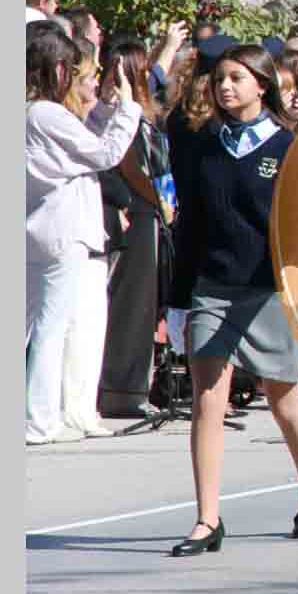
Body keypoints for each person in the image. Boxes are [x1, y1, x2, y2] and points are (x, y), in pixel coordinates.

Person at [162, 44, 298, 555]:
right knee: (207, 400)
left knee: (283, 398)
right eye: (220, 79)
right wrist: (178, 299)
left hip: (270, 291)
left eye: (237, 77)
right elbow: (189, 222)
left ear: (263, 84)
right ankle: (207, 519)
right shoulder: (203, 143)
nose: (225, 86)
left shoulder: (289, 145)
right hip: (213, 287)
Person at [27, 30, 144, 444]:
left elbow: (88, 145)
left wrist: (109, 109)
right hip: (62, 230)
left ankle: (39, 416)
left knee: (35, 325)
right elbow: (105, 154)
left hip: (39, 228)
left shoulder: (31, 112)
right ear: (60, 69)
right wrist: (129, 108)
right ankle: (40, 420)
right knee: (50, 327)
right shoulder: (46, 114)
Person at [96, 40, 174, 419]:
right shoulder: (115, 111)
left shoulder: (141, 112)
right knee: (131, 305)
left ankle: (127, 387)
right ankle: (122, 391)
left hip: (145, 212)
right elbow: (129, 165)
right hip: (136, 213)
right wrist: (159, 201)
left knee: (138, 306)